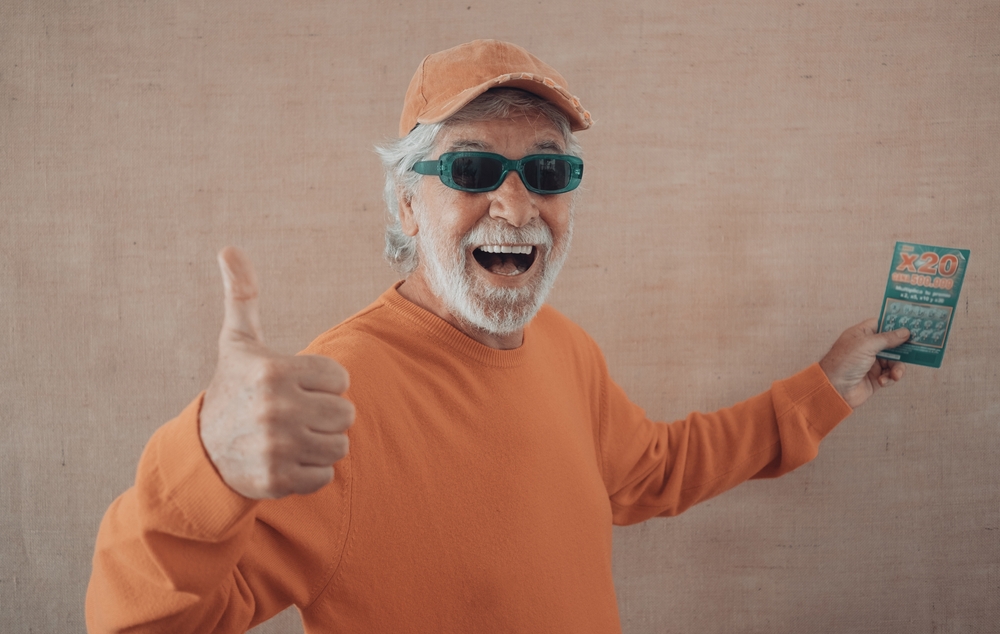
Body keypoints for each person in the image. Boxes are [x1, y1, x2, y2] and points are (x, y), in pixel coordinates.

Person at [86, 39, 910, 633]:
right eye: (472, 170)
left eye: (547, 172)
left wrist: (825, 388)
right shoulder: (331, 398)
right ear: (407, 205)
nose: (516, 208)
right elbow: (140, 623)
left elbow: (652, 470)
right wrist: (202, 461)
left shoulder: (568, 350)